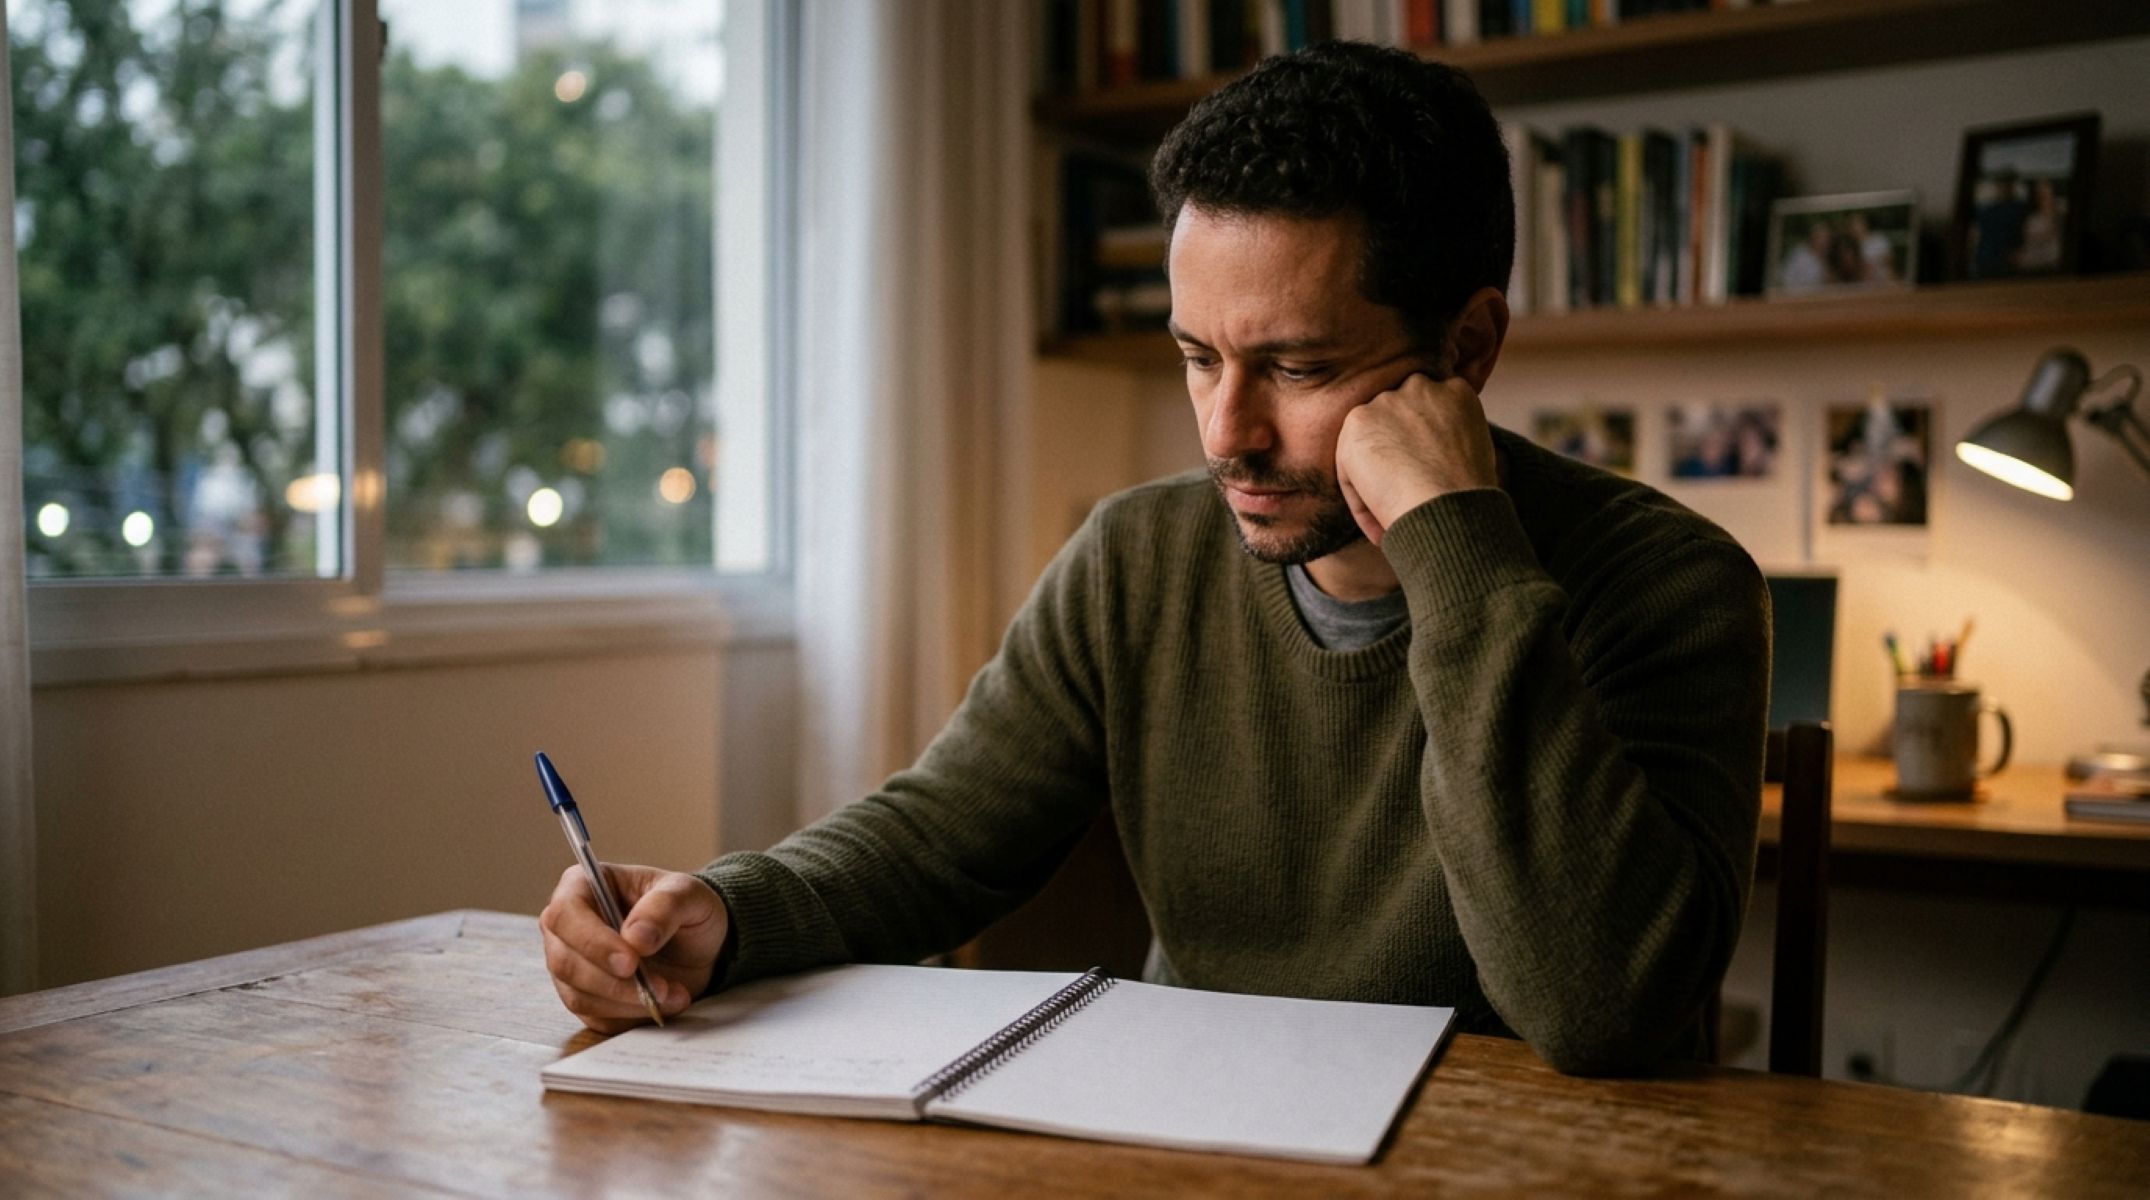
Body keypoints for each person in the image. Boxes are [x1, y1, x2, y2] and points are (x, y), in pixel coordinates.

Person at [541, 43, 1770, 1075]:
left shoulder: (1668, 583)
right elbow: (940, 837)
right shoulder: (1136, 555)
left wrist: (1456, 551)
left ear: (1466, 344)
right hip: (1188, 1141)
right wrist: (724, 912)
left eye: (1294, 368)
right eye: (1196, 356)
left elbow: (1601, 1008)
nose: (1225, 434)